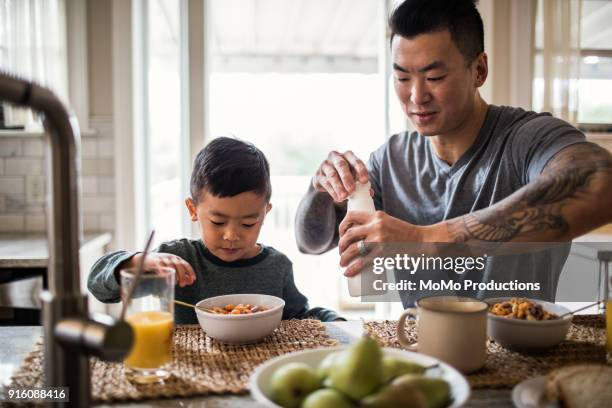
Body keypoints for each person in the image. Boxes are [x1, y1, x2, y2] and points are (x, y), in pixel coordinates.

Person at [295, 0, 612, 305]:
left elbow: (601, 184)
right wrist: (319, 189)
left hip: (519, 351)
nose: (416, 97)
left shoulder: (527, 139)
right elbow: (312, 242)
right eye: (403, 77)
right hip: (421, 351)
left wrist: (424, 241)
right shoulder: (390, 161)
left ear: (479, 70)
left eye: (434, 77)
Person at [89, 137, 343, 324]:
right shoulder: (176, 261)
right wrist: (139, 261)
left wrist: (338, 323)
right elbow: (99, 286)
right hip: (190, 367)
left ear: (265, 213)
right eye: (218, 222)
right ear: (193, 210)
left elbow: (300, 316)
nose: (232, 235)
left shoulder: (277, 266)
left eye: (248, 223)